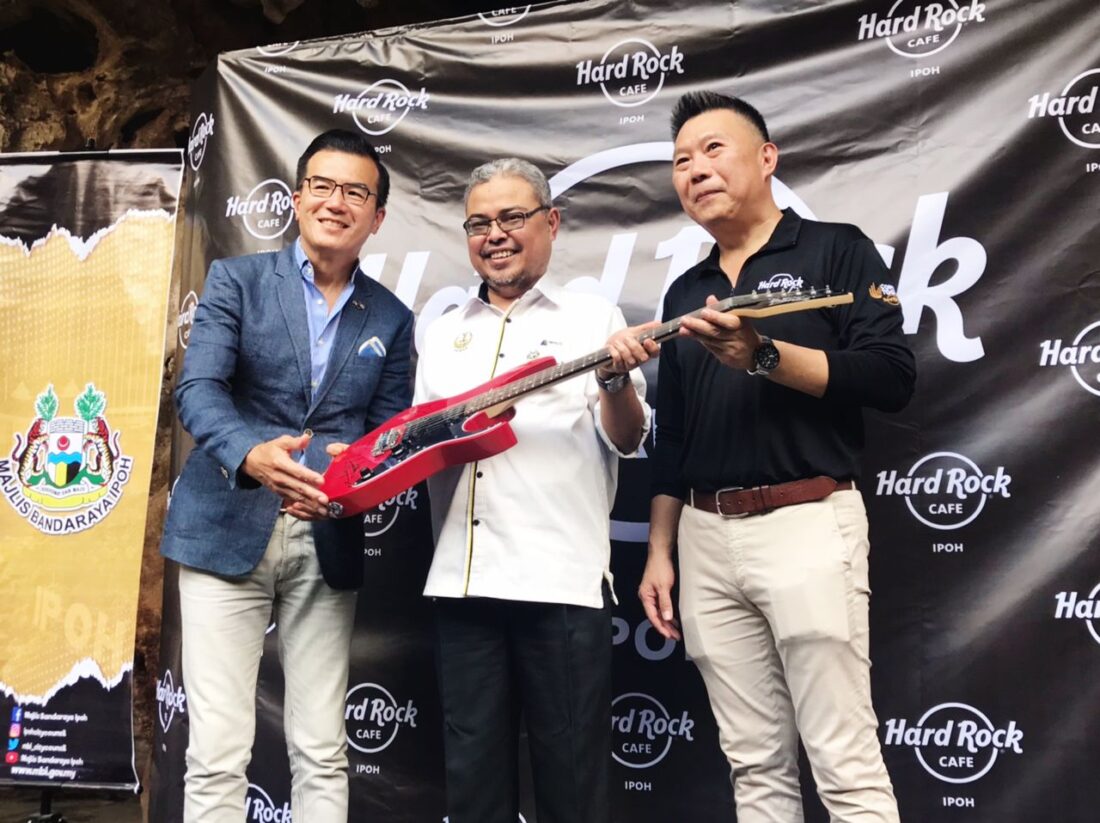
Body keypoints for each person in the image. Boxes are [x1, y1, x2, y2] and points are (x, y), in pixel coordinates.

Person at [639, 91, 915, 822]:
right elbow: (673, 437)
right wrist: (661, 550)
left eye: (713, 149)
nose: (695, 169)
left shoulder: (836, 249)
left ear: (767, 159)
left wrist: (762, 354)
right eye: (680, 160)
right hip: (704, 536)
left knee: (844, 762)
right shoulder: (687, 289)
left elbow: (892, 377)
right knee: (754, 767)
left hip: (808, 517)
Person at [160, 128, 414, 823]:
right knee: (217, 751)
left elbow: (389, 435)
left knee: (323, 749)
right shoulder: (236, 281)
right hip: (223, 526)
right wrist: (250, 453)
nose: (336, 202)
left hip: (325, 538)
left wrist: (350, 481)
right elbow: (198, 390)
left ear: (377, 217)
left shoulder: (392, 318)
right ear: (297, 199)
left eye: (355, 192)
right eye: (322, 186)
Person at [414, 158, 657, 823]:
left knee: (572, 785)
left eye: (512, 217)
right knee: (473, 787)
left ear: (551, 223)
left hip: (561, 586)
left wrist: (614, 380)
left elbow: (628, 438)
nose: (495, 234)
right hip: (462, 585)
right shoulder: (443, 332)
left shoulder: (592, 319)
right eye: (479, 223)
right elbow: (420, 447)